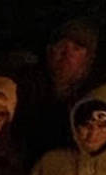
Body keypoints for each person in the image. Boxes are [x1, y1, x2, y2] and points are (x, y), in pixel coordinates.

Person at [15, 18, 100, 164]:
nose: (67, 53)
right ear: (49, 51)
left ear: (87, 58)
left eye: (76, 48)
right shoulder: (26, 86)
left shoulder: (96, 96)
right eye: (61, 45)